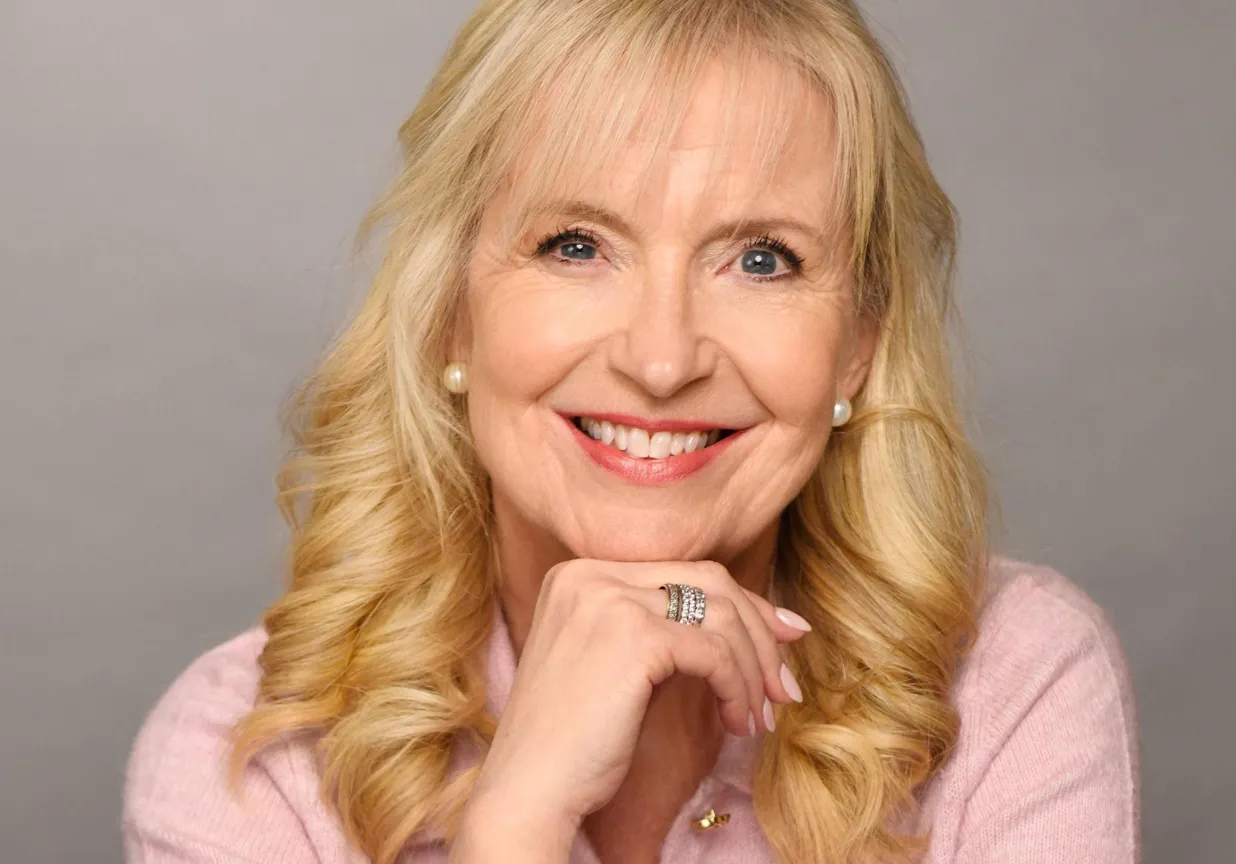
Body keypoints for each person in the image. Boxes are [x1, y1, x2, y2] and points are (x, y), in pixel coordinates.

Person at [122, 0, 1140, 861]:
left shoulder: (1010, 683)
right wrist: (514, 823)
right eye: (576, 245)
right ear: (450, 316)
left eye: (760, 261)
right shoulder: (250, 771)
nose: (662, 359)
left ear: (858, 344)